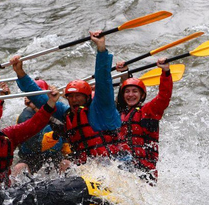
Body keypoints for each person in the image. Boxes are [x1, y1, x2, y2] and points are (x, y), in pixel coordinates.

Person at [9, 31, 124, 166]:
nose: (74, 100)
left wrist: (101, 49)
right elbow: (40, 99)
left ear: (87, 97)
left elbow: (103, 79)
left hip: (115, 164)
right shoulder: (67, 113)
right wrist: (20, 73)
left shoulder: (103, 108)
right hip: (88, 170)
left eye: (78, 96)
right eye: (71, 97)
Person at [113, 57, 173, 183]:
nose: (130, 95)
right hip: (122, 167)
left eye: (135, 91)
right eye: (127, 92)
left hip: (145, 170)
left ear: (142, 95)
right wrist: (124, 71)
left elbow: (164, 97)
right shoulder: (120, 112)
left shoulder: (149, 111)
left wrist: (166, 72)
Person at [12, 78, 67, 175]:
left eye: (38, 98)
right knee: (18, 168)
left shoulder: (57, 113)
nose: (36, 101)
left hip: (54, 154)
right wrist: (55, 136)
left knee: (66, 163)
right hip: (31, 156)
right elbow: (35, 146)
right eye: (33, 98)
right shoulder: (25, 117)